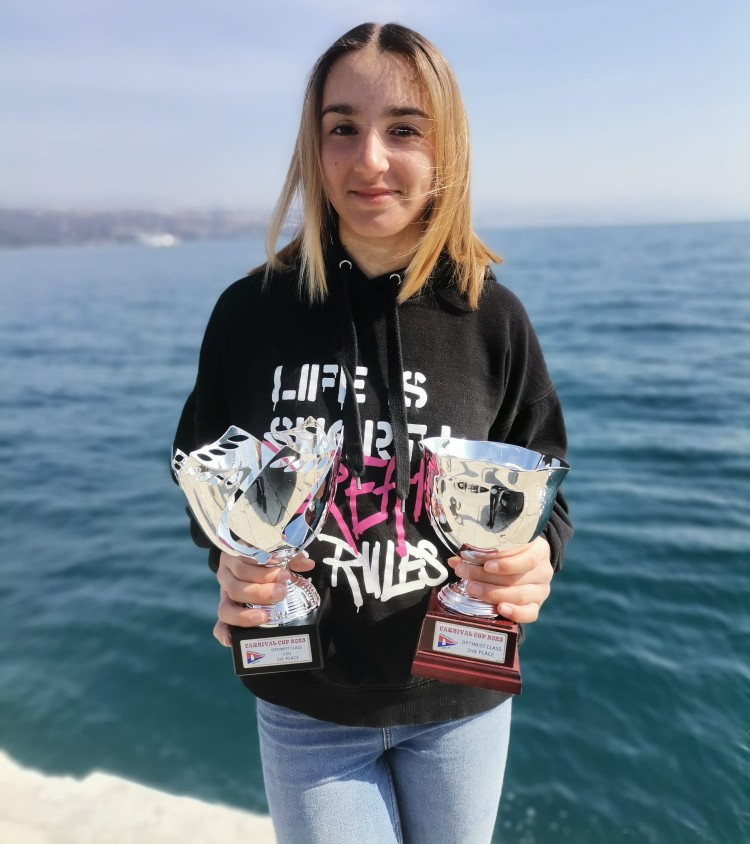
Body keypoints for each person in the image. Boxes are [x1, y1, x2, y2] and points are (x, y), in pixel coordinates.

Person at [173, 21, 572, 844]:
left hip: (462, 701)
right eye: (343, 128)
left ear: (446, 149)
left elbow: (547, 485)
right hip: (307, 706)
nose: (370, 160)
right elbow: (203, 475)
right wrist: (233, 563)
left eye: (404, 130)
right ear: (312, 147)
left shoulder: (491, 319)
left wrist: (535, 560)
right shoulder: (248, 315)